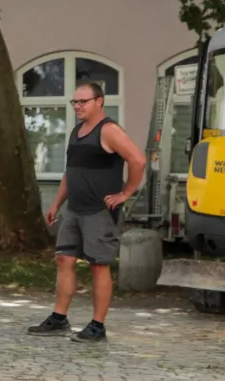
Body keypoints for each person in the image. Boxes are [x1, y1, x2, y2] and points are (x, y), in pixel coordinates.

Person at [28, 81, 146, 343]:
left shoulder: (110, 130)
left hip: (99, 212)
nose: (77, 106)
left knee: (98, 266)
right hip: (75, 210)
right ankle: (59, 318)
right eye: (75, 102)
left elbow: (138, 160)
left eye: (83, 101)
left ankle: (98, 325)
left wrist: (126, 193)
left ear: (99, 101)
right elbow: (71, 173)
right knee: (64, 260)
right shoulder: (77, 132)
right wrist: (57, 203)